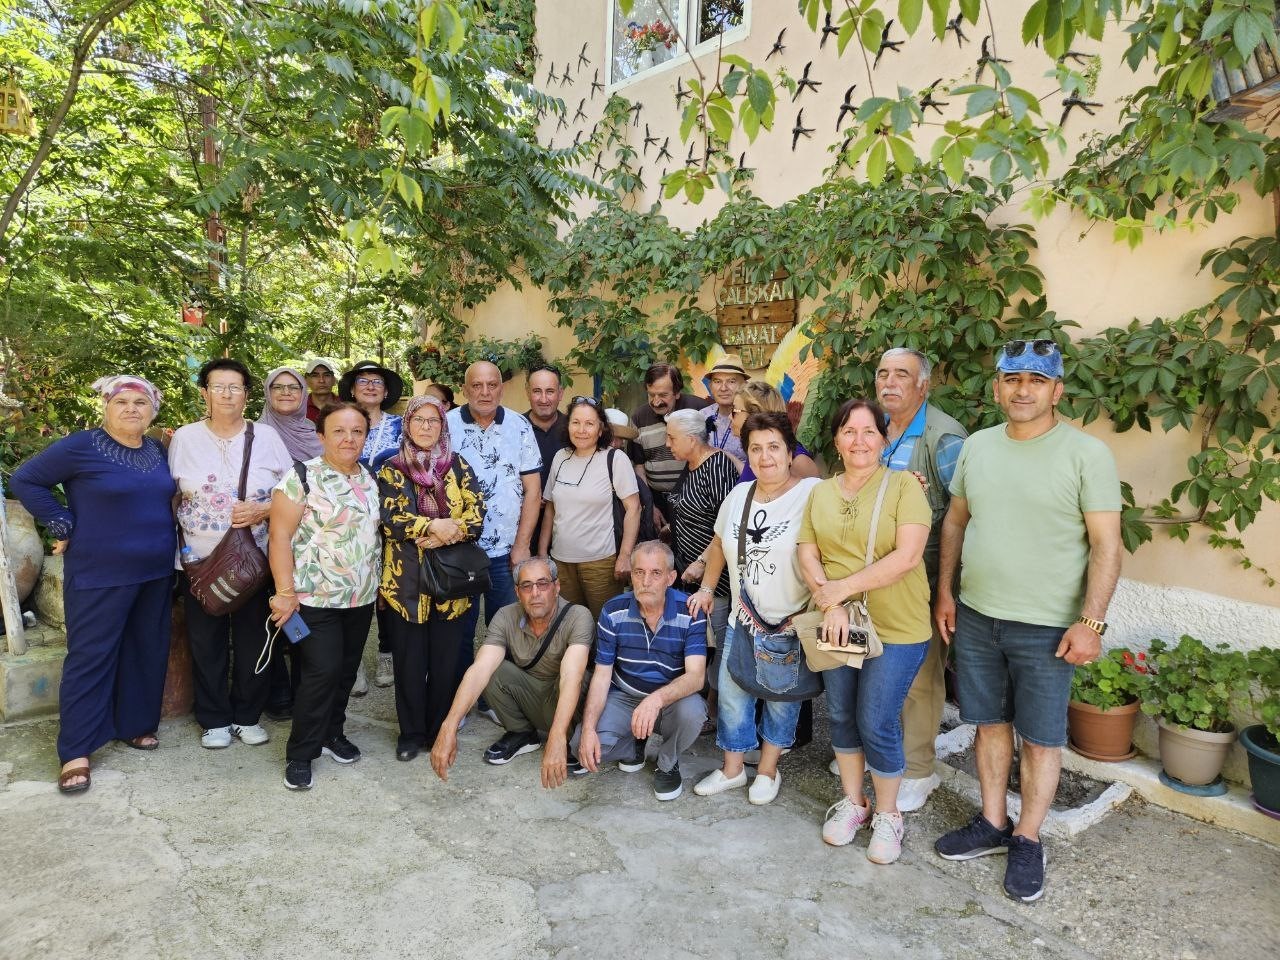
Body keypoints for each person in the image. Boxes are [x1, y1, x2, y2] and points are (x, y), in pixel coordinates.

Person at [932, 339, 1122, 902]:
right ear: (997, 387)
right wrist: (946, 592)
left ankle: (1027, 837)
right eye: (1012, 378)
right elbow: (955, 525)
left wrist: (1092, 622)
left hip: (1047, 627)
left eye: (1036, 380)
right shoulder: (978, 448)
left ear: (1057, 391)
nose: (1022, 389)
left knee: (1040, 740)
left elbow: (1107, 545)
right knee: (988, 725)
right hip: (977, 615)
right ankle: (992, 823)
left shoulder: (1087, 455)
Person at [11, 376, 176, 795]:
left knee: (145, 649)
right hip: (101, 572)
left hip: (156, 569)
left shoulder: (157, 449)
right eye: (122, 401)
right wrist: (60, 519)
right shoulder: (80, 446)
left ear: (152, 411)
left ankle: (135, 725)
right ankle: (76, 751)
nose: (132, 409)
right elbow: (26, 480)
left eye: (141, 402)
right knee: (91, 656)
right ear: (106, 405)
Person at [797, 399, 932, 865]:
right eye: (849, 431)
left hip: (896, 625)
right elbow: (807, 550)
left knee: (877, 719)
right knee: (841, 717)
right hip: (838, 623)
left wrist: (838, 594)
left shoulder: (903, 488)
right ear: (836, 439)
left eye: (869, 431)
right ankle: (855, 802)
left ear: (884, 438)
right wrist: (828, 596)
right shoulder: (820, 493)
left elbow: (907, 557)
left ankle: (889, 814)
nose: (859, 440)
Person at [688, 412, 821, 805]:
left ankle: (767, 770)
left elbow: (854, 499)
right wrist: (709, 587)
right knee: (732, 694)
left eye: (774, 447)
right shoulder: (738, 496)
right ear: (746, 454)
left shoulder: (812, 492)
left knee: (782, 701)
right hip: (742, 618)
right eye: (756, 449)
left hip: (790, 620)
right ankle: (732, 769)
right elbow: (717, 546)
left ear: (789, 451)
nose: (765, 457)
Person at [169, 358, 293, 750]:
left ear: (246, 394)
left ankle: (247, 715)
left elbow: (292, 494)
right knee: (206, 642)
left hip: (254, 561)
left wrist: (263, 510)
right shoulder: (184, 438)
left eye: (235, 387)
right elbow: (169, 497)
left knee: (255, 638)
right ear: (204, 393)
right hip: (200, 563)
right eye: (217, 386)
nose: (226, 394)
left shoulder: (267, 437)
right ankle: (214, 719)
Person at [268, 403, 383, 791]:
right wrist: (284, 593)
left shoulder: (369, 478)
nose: (349, 438)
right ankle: (301, 753)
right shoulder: (301, 477)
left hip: (360, 598)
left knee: (346, 672)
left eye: (357, 431)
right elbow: (279, 537)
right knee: (321, 673)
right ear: (321, 436)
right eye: (338, 431)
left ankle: (333, 733)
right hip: (314, 599)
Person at [872, 347, 967, 810]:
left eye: (902, 375)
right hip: (874, 575)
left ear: (923, 386)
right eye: (883, 374)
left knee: (920, 676)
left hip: (924, 577)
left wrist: (947, 588)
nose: (890, 383)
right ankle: (883, 756)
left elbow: (962, 517)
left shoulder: (944, 438)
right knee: (878, 668)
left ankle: (918, 769)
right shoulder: (874, 427)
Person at [376, 395, 485, 761]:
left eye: (433, 421)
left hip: (452, 583)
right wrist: (431, 524)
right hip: (405, 583)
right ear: (407, 424)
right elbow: (392, 519)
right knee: (409, 662)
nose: (426, 427)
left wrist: (444, 533)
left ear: (443, 425)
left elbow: (476, 512)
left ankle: (440, 728)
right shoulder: (391, 468)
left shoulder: (458, 465)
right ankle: (410, 734)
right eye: (419, 420)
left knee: (444, 662)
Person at [430, 557, 593, 786]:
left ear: (556, 587)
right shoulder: (506, 616)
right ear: (517, 592)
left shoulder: (578, 616)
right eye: (527, 586)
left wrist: (555, 738)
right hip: (535, 698)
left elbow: (571, 676)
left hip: (567, 704)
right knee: (491, 669)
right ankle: (522, 733)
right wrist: (449, 726)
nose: (535, 593)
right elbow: (479, 670)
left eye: (543, 583)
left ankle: (568, 739)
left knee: (579, 678)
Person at [573, 541, 707, 801]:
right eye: (639, 572)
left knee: (693, 712)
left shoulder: (690, 612)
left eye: (656, 573)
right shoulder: (613, 611)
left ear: (670, 578)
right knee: (582, 748)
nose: (646, 581)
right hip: (625, 695)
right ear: (631, 575)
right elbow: (601, 676)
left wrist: (655, 700)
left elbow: (696, 676)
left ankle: (668, 761)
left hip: (669, 700)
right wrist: (588, 729)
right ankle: (634, 743)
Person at [446, 361, 543, 703]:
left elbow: (534, 490)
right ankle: (461, 696)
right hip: (458, 552)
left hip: (506, 552)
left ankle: (495, 696)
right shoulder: (446, 426)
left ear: (501, 389)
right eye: (477, 385)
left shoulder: (519, 426)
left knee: (503, 629)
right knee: (459, 629)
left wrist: (522, 545)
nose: (485, 392)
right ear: (465, 388)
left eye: (492, 385)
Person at [257, 366, 324, 718]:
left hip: (311, 542)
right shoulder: (255, 433)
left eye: (293, 387)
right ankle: (277, 692)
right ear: (267, 393)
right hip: (265, 538)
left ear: (304, 395)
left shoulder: (315, 432)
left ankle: (304, 691)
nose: (286, 393)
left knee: (304, 616)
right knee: (271, 613)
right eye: (278, 387)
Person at [539, 396, 640, 621]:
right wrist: (543, 553)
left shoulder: (615, 459)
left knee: (603, 625)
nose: (582, 430)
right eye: (576, 422)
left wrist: (625, 555)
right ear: (567, 425)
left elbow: (634, 509)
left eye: (589, 423)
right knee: (570, 625)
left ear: (601, 428)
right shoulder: (559, 457)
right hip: (561, 562)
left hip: (600, 563)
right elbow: (550, 509)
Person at [664, 407, 740, 701]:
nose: (668, 444)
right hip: (689, 573)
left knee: (719, 643)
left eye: (672, 438)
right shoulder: (691, 463)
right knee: (700, 642)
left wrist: (700, 561)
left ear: (692, 440)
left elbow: (725, 526)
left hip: (713, 577)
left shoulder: (717, 466)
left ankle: (717, 709)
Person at [338, 359, 404, 687]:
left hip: (392, 518)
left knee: (389, 588)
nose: (370, 386)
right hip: (349, 519)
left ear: (387, 390)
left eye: (377, 381)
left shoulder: (401, 426)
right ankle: (353, 663)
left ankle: (387, 654)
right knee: (354, 587)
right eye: (363, 380)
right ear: (352, 388)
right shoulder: (342, 423)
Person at [629, 362, 706, 528]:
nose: (656, 402)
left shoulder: (701, 410)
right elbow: (639, 466)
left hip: (696, 501)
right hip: (657, 502)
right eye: (651, 395)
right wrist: (650, 505)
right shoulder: (638, 418)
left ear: (677, 392)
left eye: (663, 395)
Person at [733, 379, 821, 481]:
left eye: (734, 411)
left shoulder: (799, 462)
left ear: (754, 414)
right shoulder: (756, 449)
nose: (730, 417)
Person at [524, 363, 567, 554]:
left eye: (549, 391)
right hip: (523, 528)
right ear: (527, 392)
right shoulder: (514, 429)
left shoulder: (574, 429)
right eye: (536, 391)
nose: (543, 399)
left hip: (568, 528)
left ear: (560, 393)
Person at [700, 354, 748, 465]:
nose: (723, 388)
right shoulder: (701, 416)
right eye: (717, 381)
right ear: (710, 386)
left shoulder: (753, 418)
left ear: (744, 385)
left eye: (731, 381)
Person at [303, 359, 340, 423]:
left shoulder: (345, 405)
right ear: (306, 381)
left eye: (326, 375)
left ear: (333, 380)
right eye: (315, 376)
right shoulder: (299, 408)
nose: (321, 380)